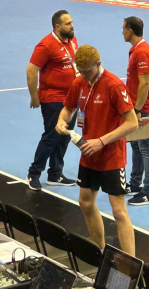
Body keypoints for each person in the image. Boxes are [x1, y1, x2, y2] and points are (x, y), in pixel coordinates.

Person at [56, 45, 138, 256]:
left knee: (118, 211)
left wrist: (101, 141)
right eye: (81, 71)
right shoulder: (79, 82)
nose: (84, 75)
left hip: (112, 156)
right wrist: (61, 120)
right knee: (85, 203)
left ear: (98, 64)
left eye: (88, 71)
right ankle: (99, 252)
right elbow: (68, 108)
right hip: (88, 155)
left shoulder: (114, 85)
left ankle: (131, 265)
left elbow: (132, 123)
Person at [26, 10, 79, 191]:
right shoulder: (46, 45)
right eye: (68, 24)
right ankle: (33, 173)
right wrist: (34, 96)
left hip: (71, 98)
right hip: (53, 99)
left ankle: (55, 174)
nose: (72, 26)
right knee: (51, 136)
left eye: (71, 22)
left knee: (65, 137)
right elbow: (31, 70)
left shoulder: (72, 40)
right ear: (57, 27)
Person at [122, 17, 149, 206]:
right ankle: (135, 184)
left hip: (143, 108)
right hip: (136, 106)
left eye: (123, 28)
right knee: (136, 146)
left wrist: (137, 109)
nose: (122, 32)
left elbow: (144, 84)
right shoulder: (136, 50)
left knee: (146, 148)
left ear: (130, 31)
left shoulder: (142, 52)